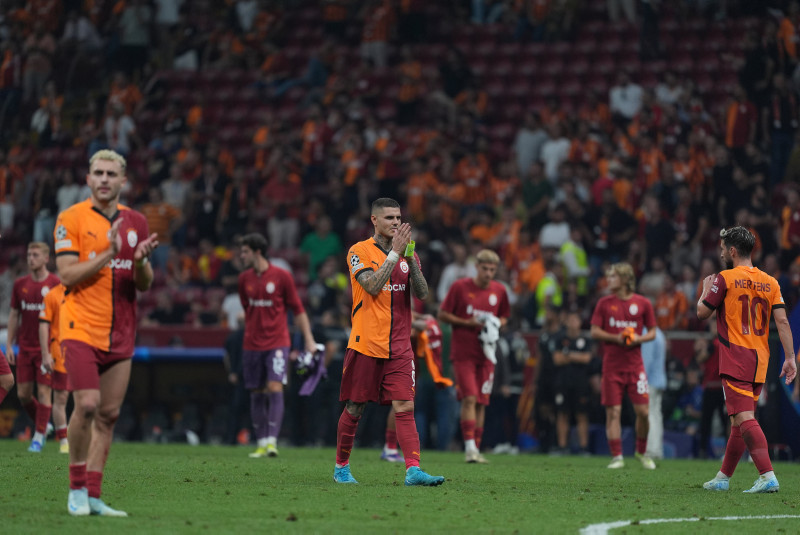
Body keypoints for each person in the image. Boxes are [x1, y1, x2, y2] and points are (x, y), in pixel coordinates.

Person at [54, 149, 158, 517]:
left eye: (111, 174)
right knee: (86, 405)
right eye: (98, 173)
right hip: (80, 327)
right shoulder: (70, 218)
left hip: (122, 331)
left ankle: (94, 495)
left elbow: (144, 283)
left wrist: (140, 262)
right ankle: (76, 489)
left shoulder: (136, 222)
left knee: (108, 414)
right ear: (87, 178)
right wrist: (108, 253)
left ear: (123, 181)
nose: (104, 179)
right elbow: (67, 274)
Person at [335, 197, 444, 486]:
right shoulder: (359, 251)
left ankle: (413, 470)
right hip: (366, 343)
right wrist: (395, 254)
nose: (396, 222)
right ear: (374, 220)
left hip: (400, 346)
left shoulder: (407, 253)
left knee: (405, 406)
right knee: (355, 407)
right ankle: (341, 467)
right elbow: (371, 286)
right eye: (389, 218)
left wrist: (411, 260)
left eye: (398, 217)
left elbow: (423, 294)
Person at [698, 226, 797, 493]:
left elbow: (702, 313)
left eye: (722, 248)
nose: (720, 252)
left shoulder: (724, 278)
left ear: (732, 251)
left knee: (744, 417)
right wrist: (790, 358)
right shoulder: (771, 282)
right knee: (737, 422)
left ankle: (767, 475)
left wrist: (705, 290)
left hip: (735, 357)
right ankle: (723, 478)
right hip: (760, 359)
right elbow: (782, 322)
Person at [238, 233, 316, 458]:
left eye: (245, 252)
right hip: (252, 343)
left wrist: (309, 339)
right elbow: (247, 308)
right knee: (256, 392)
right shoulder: (243, 279)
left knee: (274, 386)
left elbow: (298, 309)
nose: (241, 256)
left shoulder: (282, 276)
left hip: (277, 342)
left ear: (257, 252)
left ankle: (272, 442)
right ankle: (261, 442)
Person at [438, 249, 510, 463]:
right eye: (485, 268)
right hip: (463, 354)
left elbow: (504, 316)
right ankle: (469, 448)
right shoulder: (460, 287)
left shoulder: (499, 290)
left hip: (487, 354)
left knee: (481, 401)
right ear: (476, 267)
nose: (488, 273)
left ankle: (476, 449)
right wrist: (466, 322)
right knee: (469, 398)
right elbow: (442, 314)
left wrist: (496, 323)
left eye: (492, 269)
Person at [590, 262, 657, 470]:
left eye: (613, 276)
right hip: (612, 367)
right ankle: (617, 456)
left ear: (626, 279)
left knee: (643, 412)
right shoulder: (604, 303)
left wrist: (637, 338)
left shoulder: (643, 303)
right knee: (613, 412)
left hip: (635, 367)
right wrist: (616, 338)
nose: (608, 280)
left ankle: (641, 452)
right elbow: (594, 331)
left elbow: (653, 332)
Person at [6, 242, 60, 452]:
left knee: (45, 392)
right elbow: (14, 314)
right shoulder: (20, 284)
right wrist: (9, 344)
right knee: (23, 394)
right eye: (29, 255)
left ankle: (38, 436)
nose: (31, 258)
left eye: (35, 255)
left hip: (46, 349)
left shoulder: (55, 283)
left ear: (46, 258)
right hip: (25, 348)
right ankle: (44, 423)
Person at [552, 309, 593, 455]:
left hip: (580, 384)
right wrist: (577, 357)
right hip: (563, 382)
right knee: (562, 414)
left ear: (580, 322)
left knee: (582, 415)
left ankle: (583, 448)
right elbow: (557, 359)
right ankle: (563, 447)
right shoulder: (560, 339)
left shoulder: (586, 340)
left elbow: (587, 359)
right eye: (570, 320)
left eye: (575, 320)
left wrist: (568, 355)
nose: (573, 323)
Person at [39, 282, 70, 453]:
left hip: (83, 350)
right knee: (61, 397)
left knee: (85, 397)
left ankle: (84, 437)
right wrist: (46, 354)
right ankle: (64, 441)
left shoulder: (85, 292)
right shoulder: (52, 295)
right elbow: (44, 325)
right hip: (60, 352)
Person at [641, 326, 666, 460]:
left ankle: (651, 450)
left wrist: (641, 380)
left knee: (649, 415)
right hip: (659, 380)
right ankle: (657, 449)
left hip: (649, 381)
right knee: (656, 416)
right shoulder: (659, 332)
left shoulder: (647, 333)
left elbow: (646, 360)